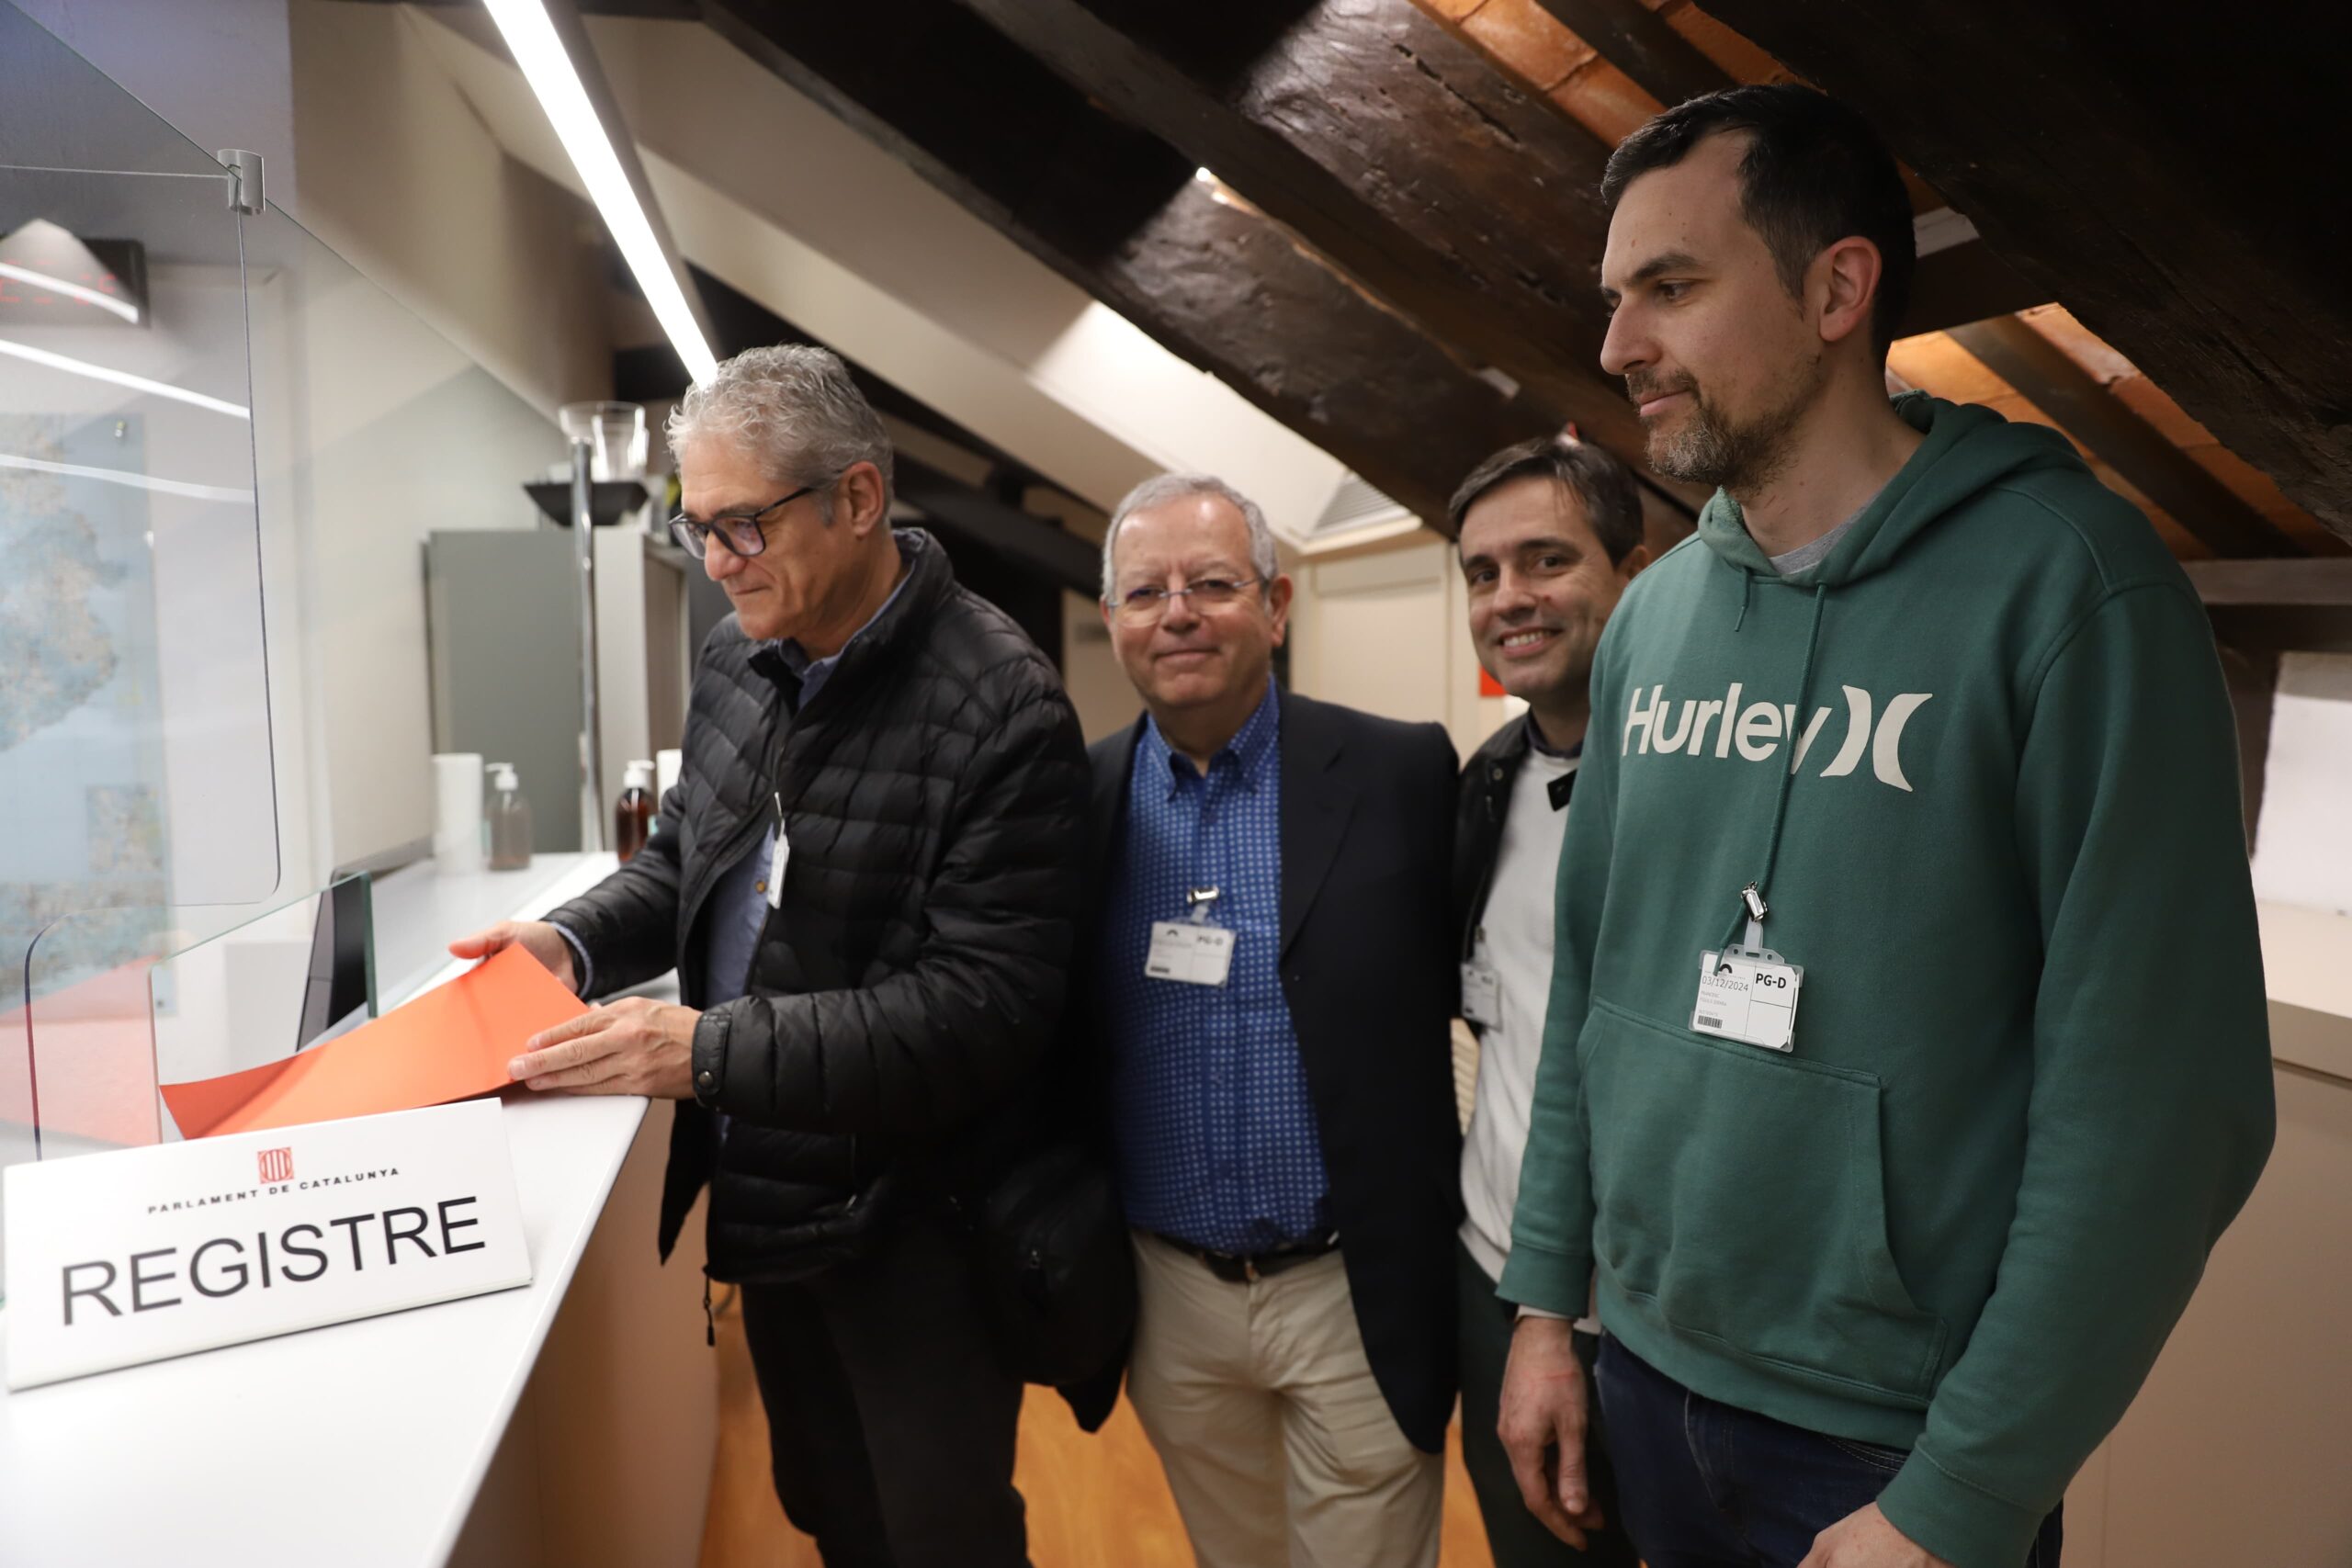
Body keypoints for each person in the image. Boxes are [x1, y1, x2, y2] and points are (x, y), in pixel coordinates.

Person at [1495, 85, 2275, 1568]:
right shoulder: (1654, 616)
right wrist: (1548, 1305)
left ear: (1838, 287)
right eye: (1615, 297)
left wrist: (1967, 1492)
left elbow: (2161, 1109)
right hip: (1643, 1373)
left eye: (1672, 286)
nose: (1617, 348)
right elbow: (1592, 990)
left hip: (1889, 1439)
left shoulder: (2071, 592)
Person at [447, 344, 1086, 1568]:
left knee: (939, 1530)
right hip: (773, 1193)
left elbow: (980, 1009)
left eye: (742, 525)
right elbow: (693, 851)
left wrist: (704, 1049)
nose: (720, 561)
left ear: (856, 498)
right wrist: (571, 936)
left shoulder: (1004, 704)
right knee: (832, 1509)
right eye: (700, 530)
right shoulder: (738, 653)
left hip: (916, 1222)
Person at [1077, 472, 1461, 1567]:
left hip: (1352, 1290)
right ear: (1112, 623)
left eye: (1211, 583)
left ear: (1277, 606)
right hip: (1172, 1302)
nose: (1179, 613)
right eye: (1145, 593)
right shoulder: (1076, 801)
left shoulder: (1400, 773)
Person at [1448, 434, 1649, 1568]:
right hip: (1498, 1282)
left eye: (1544, 562)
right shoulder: (1481, 786)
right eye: (1482, 573)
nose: (1509, 599)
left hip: (1655, 1332)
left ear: (1632, 570)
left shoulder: (1709, 781)